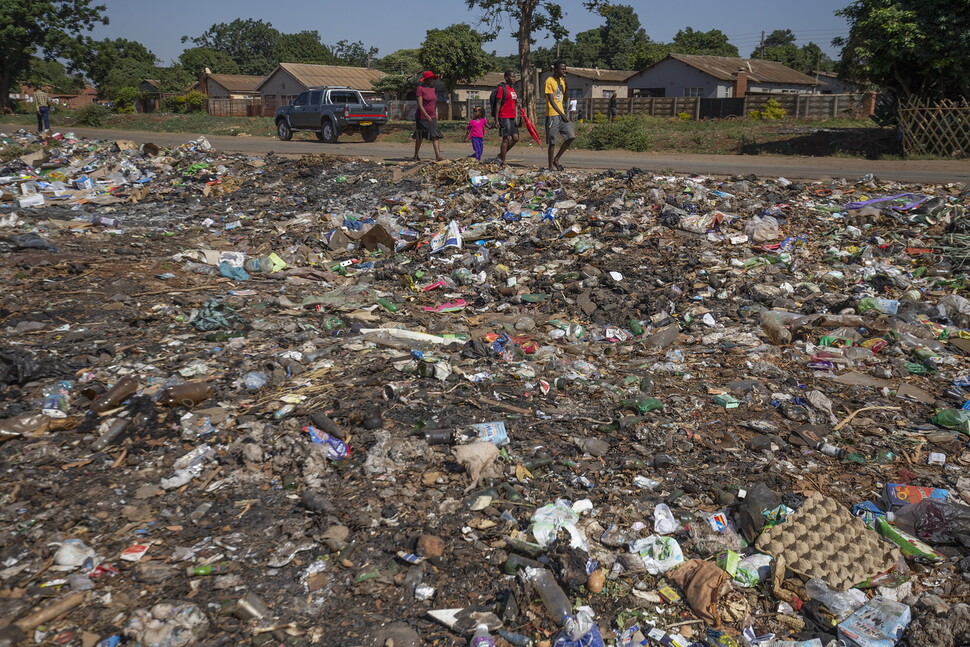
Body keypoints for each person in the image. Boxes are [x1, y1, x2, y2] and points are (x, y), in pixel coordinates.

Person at [544, 61, 574, 171]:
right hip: (552, 114)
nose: (564, 71)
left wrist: (566, 84)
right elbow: (551, 101)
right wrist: (561, 114)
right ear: (556, 70)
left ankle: (556, 159)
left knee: (571, 136)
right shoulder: (549, 81)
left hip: (562, 113)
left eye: (565, 69)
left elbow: (565, 99)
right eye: (562, 69)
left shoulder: (562, 81)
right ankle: (550, 167)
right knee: (552, 142)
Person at [412, 71, 442, 161]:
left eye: (433, 78)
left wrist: (436, 112)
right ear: (426, 79)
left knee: (435, 136)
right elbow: (420, 105)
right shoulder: (420, 88)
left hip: (432, 116)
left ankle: (438, 156)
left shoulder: (433, 88)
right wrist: (426, 115)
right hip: (421, 117)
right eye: (430, 78)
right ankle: (416, 155)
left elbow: (434, 102)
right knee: (420, 136)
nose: (432, 80)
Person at [494, 69, 519, 165]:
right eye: (512, 76)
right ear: (506, 78)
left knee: (516, 138)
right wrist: (496, 120)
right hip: (504, 116)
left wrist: (518, 104)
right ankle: (502, 161)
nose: (514, 78)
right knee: (506, 139)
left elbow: (513, 100)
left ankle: (500, 155)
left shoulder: (513, 89)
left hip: (512, 117)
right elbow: (498, 104)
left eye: (514, 76)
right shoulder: (502, 89)